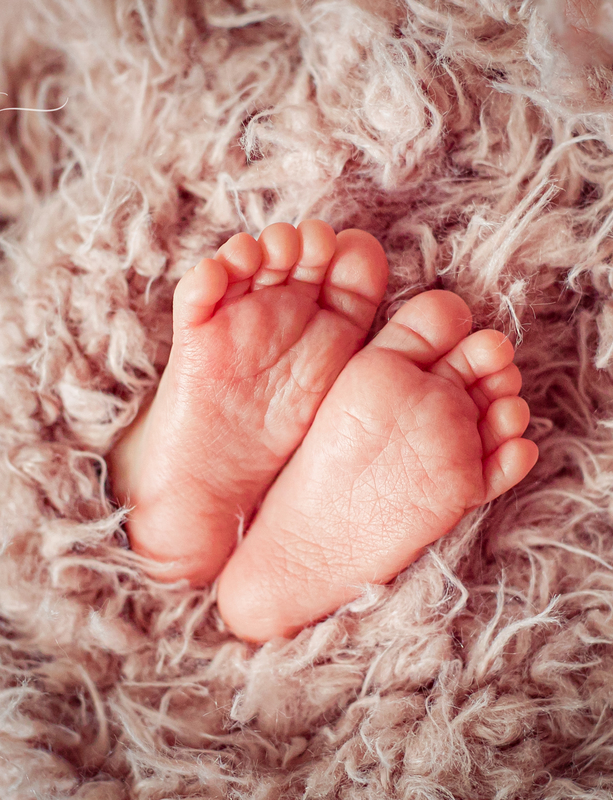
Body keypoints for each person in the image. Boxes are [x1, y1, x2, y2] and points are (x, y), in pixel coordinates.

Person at [109, 221, 539, 642]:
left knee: (122, 503)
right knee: (240, 602)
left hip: (122, 535)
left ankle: (154, 523)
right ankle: (261, 597)